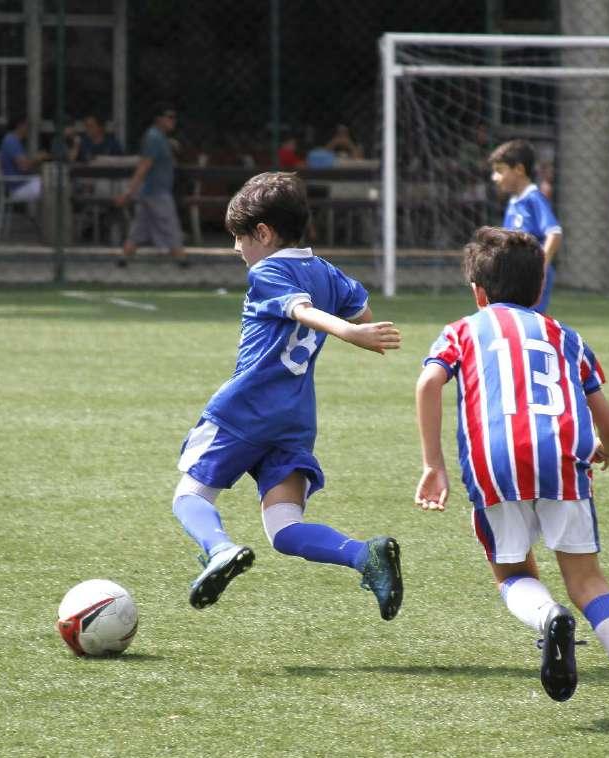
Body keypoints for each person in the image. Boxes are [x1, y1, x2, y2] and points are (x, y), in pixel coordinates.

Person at [414, 226, 609, 728]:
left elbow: (429, 380)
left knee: (512, 572)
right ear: (539, 290)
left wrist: (434, 464)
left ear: (479, 292)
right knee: (588, 580)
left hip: (495, 465)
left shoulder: (463, 330)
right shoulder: (565, 336)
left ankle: (548, 618)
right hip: (563, 460)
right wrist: (608, 448)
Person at [172, 171, 404, 623]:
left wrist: (348, 333)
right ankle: (363, 556)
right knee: (284, 527)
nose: (236, 249)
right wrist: (353, 322)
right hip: (294, 418)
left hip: (246, 409)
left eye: (239, 237)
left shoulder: (269, 271)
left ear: (263, 232)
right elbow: (363, 310)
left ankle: (219, 550)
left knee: (189, 496)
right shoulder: (326, 272)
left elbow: (302, 310)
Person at [489, 139, 562, 314]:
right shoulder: (515, 201)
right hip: (515, 272)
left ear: (519, 170)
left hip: (531, 273)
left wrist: (541, 266)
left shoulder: (533, 199)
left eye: (500, 171)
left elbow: (555, 233)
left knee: (528, 318)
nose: (495, 177)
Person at [114, 104, 187, 266]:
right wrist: (128, 192)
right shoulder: (154, 137)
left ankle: (123, 259)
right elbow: (144, 166)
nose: (172, 121)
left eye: (173, 118)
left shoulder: (160, 138)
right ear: (159, 119)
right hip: (156, 192)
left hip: (150, 192)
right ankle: (182, 261)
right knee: (170, 226)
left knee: (139, 229)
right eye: (169, 117)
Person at [0, 115, 47, 201]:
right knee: (52, 186)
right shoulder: (11, 141)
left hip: (20, 184)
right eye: (27, 125)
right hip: (18, 188)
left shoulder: (12, 140)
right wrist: (38, 158)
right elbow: (24, 167)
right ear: (20, 125)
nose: (28, 128)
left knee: (50, 181)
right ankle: (51, 214)